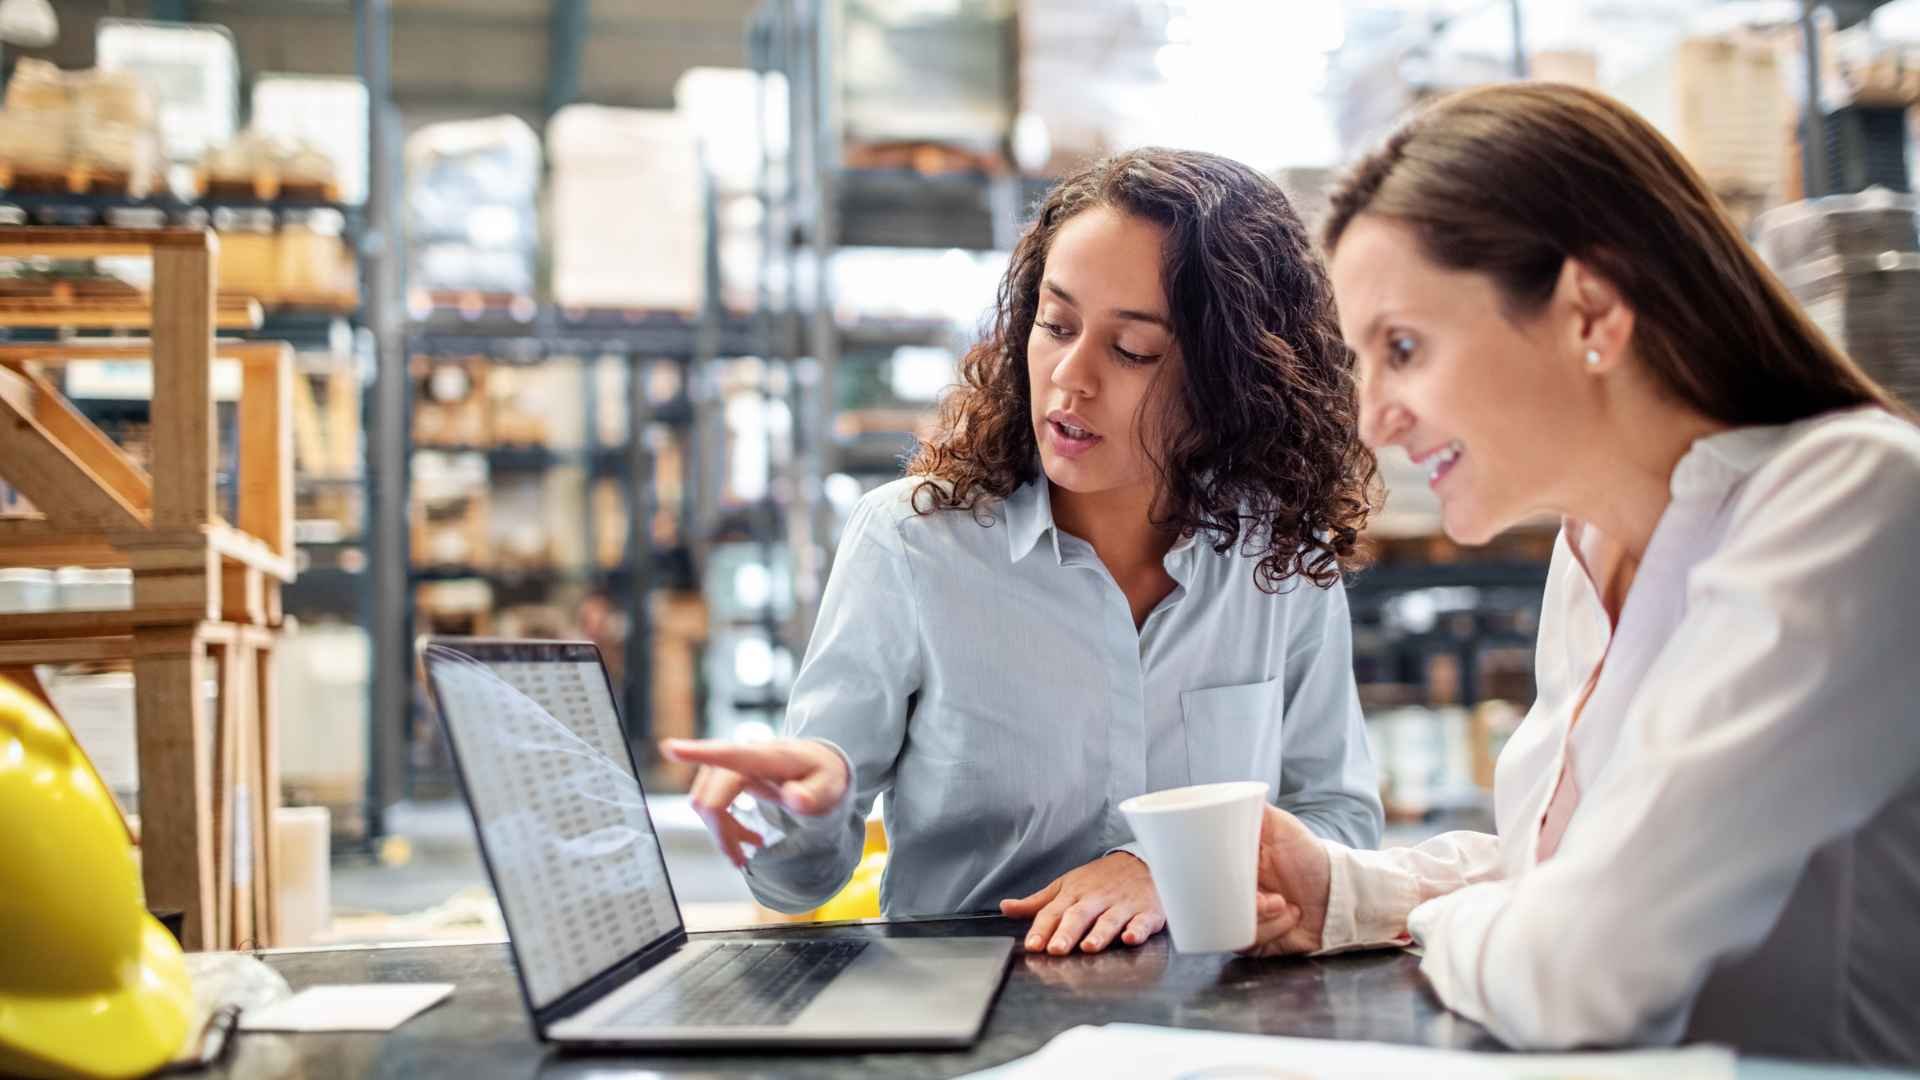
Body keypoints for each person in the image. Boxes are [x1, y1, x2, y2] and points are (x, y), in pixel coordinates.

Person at [1243, 82, 1920, 1064]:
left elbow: (1578, 969)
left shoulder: (1851, 500)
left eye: (1403, 348)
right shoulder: (1592, 544)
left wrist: (1441, 927)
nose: (1373, 419)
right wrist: (1346, 893)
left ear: (1591, 311)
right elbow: (1572, 868)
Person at [665, 147, 1383, 956]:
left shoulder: (1280, 558)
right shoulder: (911, 545)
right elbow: (797, 884)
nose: (1071, 378)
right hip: (971, 1016)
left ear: (1233, 379)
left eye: (1133, 350)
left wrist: (1163, 867)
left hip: (1212, 1011)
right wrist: (810, 808)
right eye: (1056, 324)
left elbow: (1341, 822)